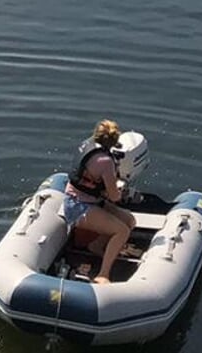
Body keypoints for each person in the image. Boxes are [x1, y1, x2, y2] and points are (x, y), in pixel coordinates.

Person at [65, 120, 137, 284]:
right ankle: (103, 274)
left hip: (82, 199)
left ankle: (96, 246)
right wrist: (120, 191)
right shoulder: (105, 161)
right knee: (122, 231)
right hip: (78, 206)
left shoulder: (87, 145)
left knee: (129, 220)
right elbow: (114, 196)